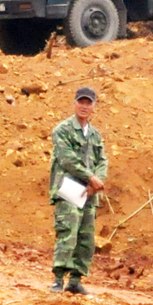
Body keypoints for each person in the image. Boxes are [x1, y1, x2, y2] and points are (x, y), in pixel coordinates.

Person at [49, 85, 108, 293]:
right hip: (69, 189)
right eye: (80, 102)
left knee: (86, 238)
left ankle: (75, 281)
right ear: (74, 103)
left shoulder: (95, 135)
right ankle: (58, 279)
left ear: (94, 107)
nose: (84, 106)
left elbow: (102, 160)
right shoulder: (62, 130)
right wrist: (91, 178)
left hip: (89, 193)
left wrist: (97, 181)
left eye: (88, 103)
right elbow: (67, 160)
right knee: (68, 232)